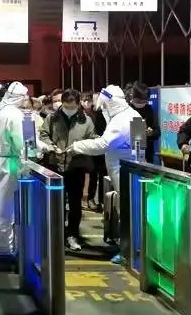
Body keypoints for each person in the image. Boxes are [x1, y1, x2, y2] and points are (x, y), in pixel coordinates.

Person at [39, 89, 96, 252]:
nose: (68, 109)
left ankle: (72, 234)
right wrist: (51, 146)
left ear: (78, 105)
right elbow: (43, 134)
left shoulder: (86, 121)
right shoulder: (52, 118)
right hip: (54, 166)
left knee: (75, 204)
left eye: (72, 106)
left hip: (75, 167)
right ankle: (55, 234)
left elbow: (92, 139)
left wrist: (80, 147)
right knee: (55, 203)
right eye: (65, 106)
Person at [69, 85, 139, 194]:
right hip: (133, 169)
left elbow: (103, 145)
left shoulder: (120, 120)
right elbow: (140, 150)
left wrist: (77, 146)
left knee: (126, 199)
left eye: (105, 105)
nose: (104, 109)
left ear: (111, 103)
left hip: (122, 171)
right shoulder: (134, 114)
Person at [0, 81, 29, 254]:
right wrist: (39, 150)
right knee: (6, 209)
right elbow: (21, 143)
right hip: (8, 163)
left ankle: (3, 246)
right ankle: (5, 250)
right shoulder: (14, 114)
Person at [82, 92, 106, 212]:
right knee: (84, 174)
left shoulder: (98, 114)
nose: (86, 102)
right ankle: (83, 199)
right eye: (84, 100)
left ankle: (93, 199)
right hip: (83, 147)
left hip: (97, 148)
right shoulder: (79, 114)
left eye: (89, 100)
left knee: (94, 174)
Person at [129, 81, 160, 164]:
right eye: (138, 101)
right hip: (128, 152)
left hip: (147, 153)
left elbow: (157, 132)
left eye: (143, 101)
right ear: (133, 97)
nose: (140, 104)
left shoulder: (149, 110)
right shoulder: (127, 109)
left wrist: (151, 133)